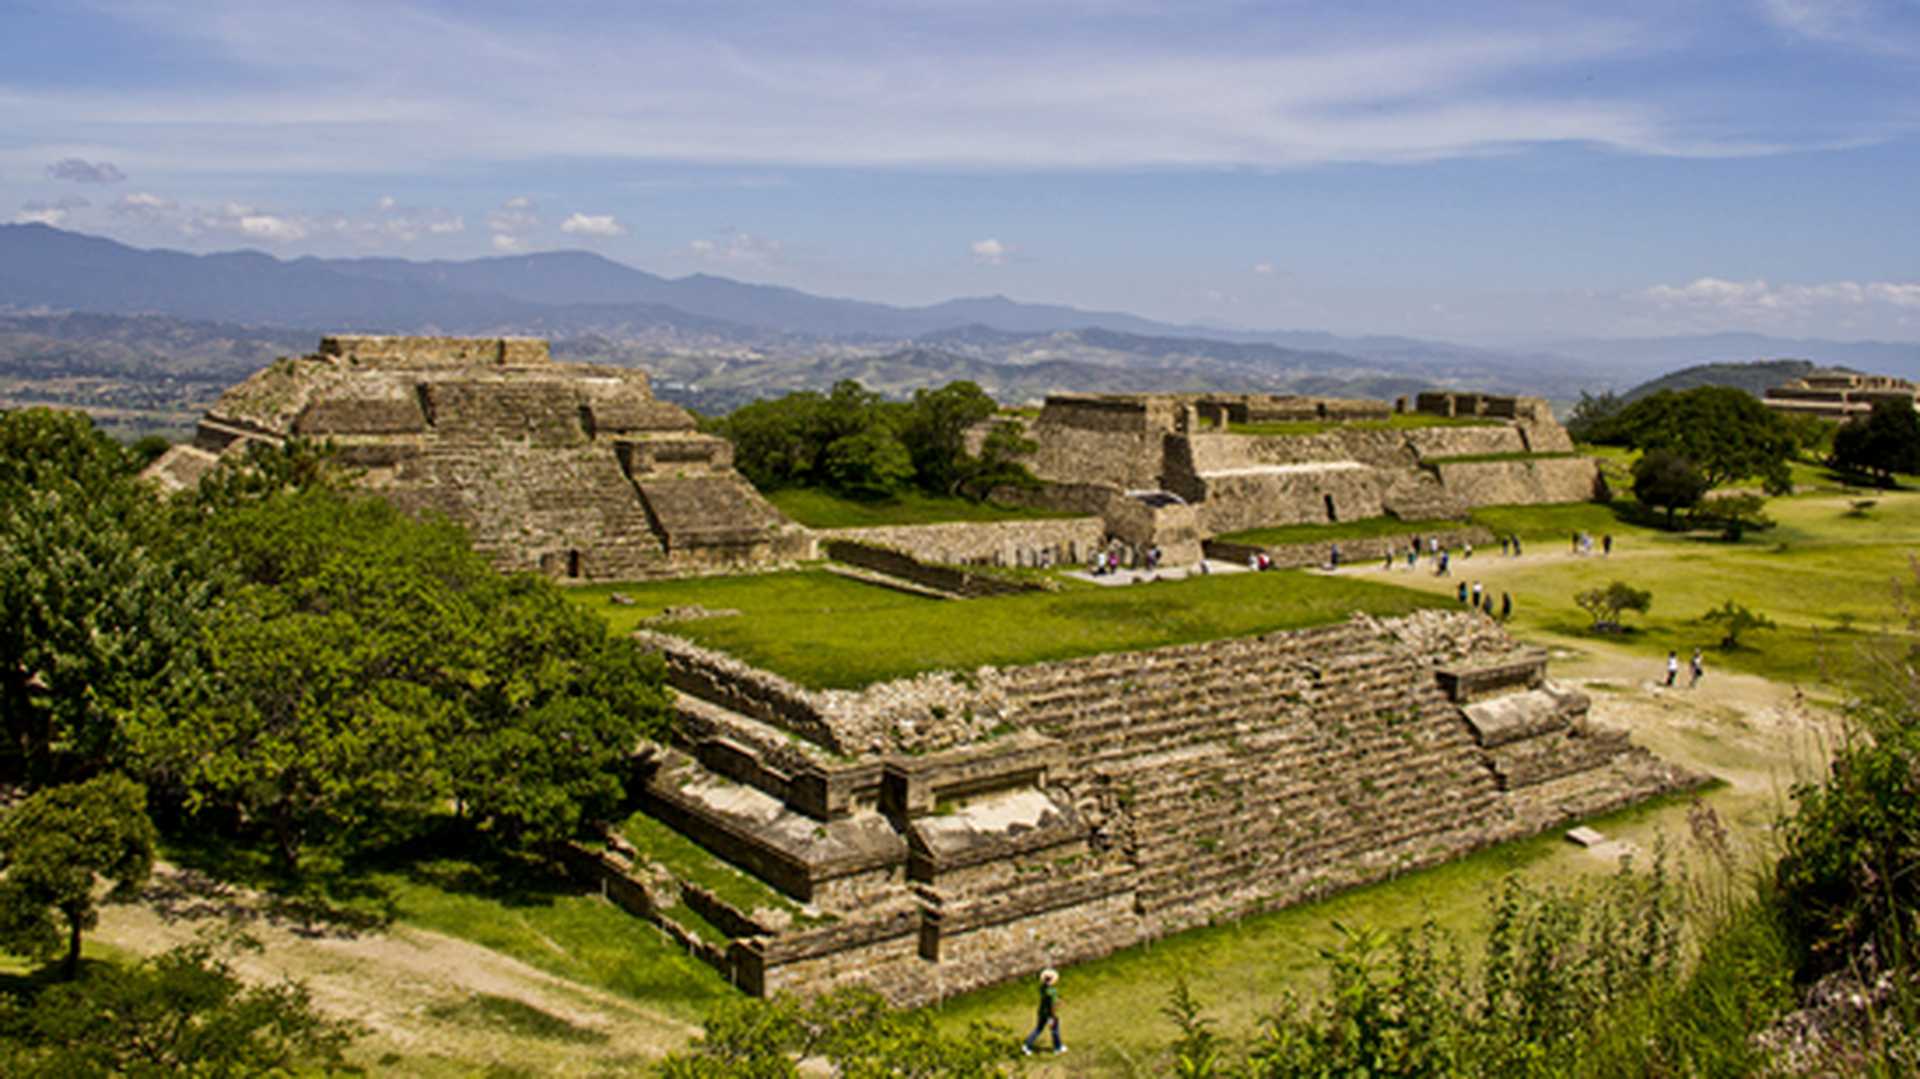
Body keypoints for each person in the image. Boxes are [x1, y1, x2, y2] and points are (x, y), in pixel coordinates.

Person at [1023, 968, 1065, 1055]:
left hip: (1042, 1012)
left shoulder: (1042, 988)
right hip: (1049, 1014)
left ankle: (1027, 1045)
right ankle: (1058, 1047)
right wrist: (1052, 1016)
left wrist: (1058, 1000)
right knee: (1054, 1030)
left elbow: (1050, 1000)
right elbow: (1052, 1005)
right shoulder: (1052, 992)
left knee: (1038, 1029)